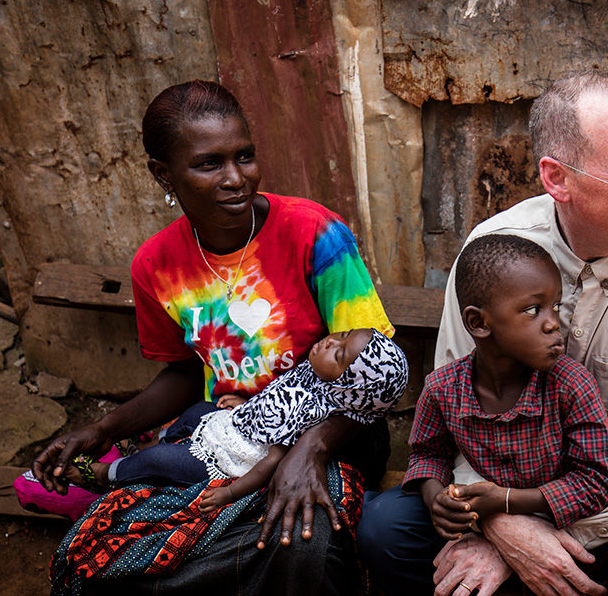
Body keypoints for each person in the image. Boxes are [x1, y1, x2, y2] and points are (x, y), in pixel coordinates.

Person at [359, 69, 608, 596]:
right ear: (557, 179)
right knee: (385, 531)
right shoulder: (492, 251)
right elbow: (455, 411)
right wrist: (498, 520)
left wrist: (540, 531)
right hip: (517, 472)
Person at [33, 79, 395, 594]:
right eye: (209, 163)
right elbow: (184, 372)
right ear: (164, 174)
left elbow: (372, 374)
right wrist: (105, 430)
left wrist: (308, 452)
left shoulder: (315, 234)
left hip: (334, 430)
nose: (236, 179)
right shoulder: (156, 265)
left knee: (300, 541)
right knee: (114, 546)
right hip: (225, 433)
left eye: (244, 156)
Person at [399, 234, 608, 554]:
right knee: (385, 526)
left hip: (568, 527)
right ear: (478, 322)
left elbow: (600, 481)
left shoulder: (570, 385)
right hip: (477, 517)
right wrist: (436, 497)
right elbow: (428, 454)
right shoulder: (442, 389)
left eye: (555, 306)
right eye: (533, 309)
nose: (553, 323)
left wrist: (506, 501)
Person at [61, 328, 407, 517]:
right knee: (196, 412)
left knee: (161, 463)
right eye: (343, 334)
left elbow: (273, 460)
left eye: (340, 353)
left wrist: (229, 492)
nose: (332, 341)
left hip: (231, 458)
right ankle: (160, 441)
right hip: (235, 423)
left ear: (346, 387)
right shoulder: (311, 374)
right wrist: (248, 405)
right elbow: (276, 399)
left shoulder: (315, 412)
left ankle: (105, 474)